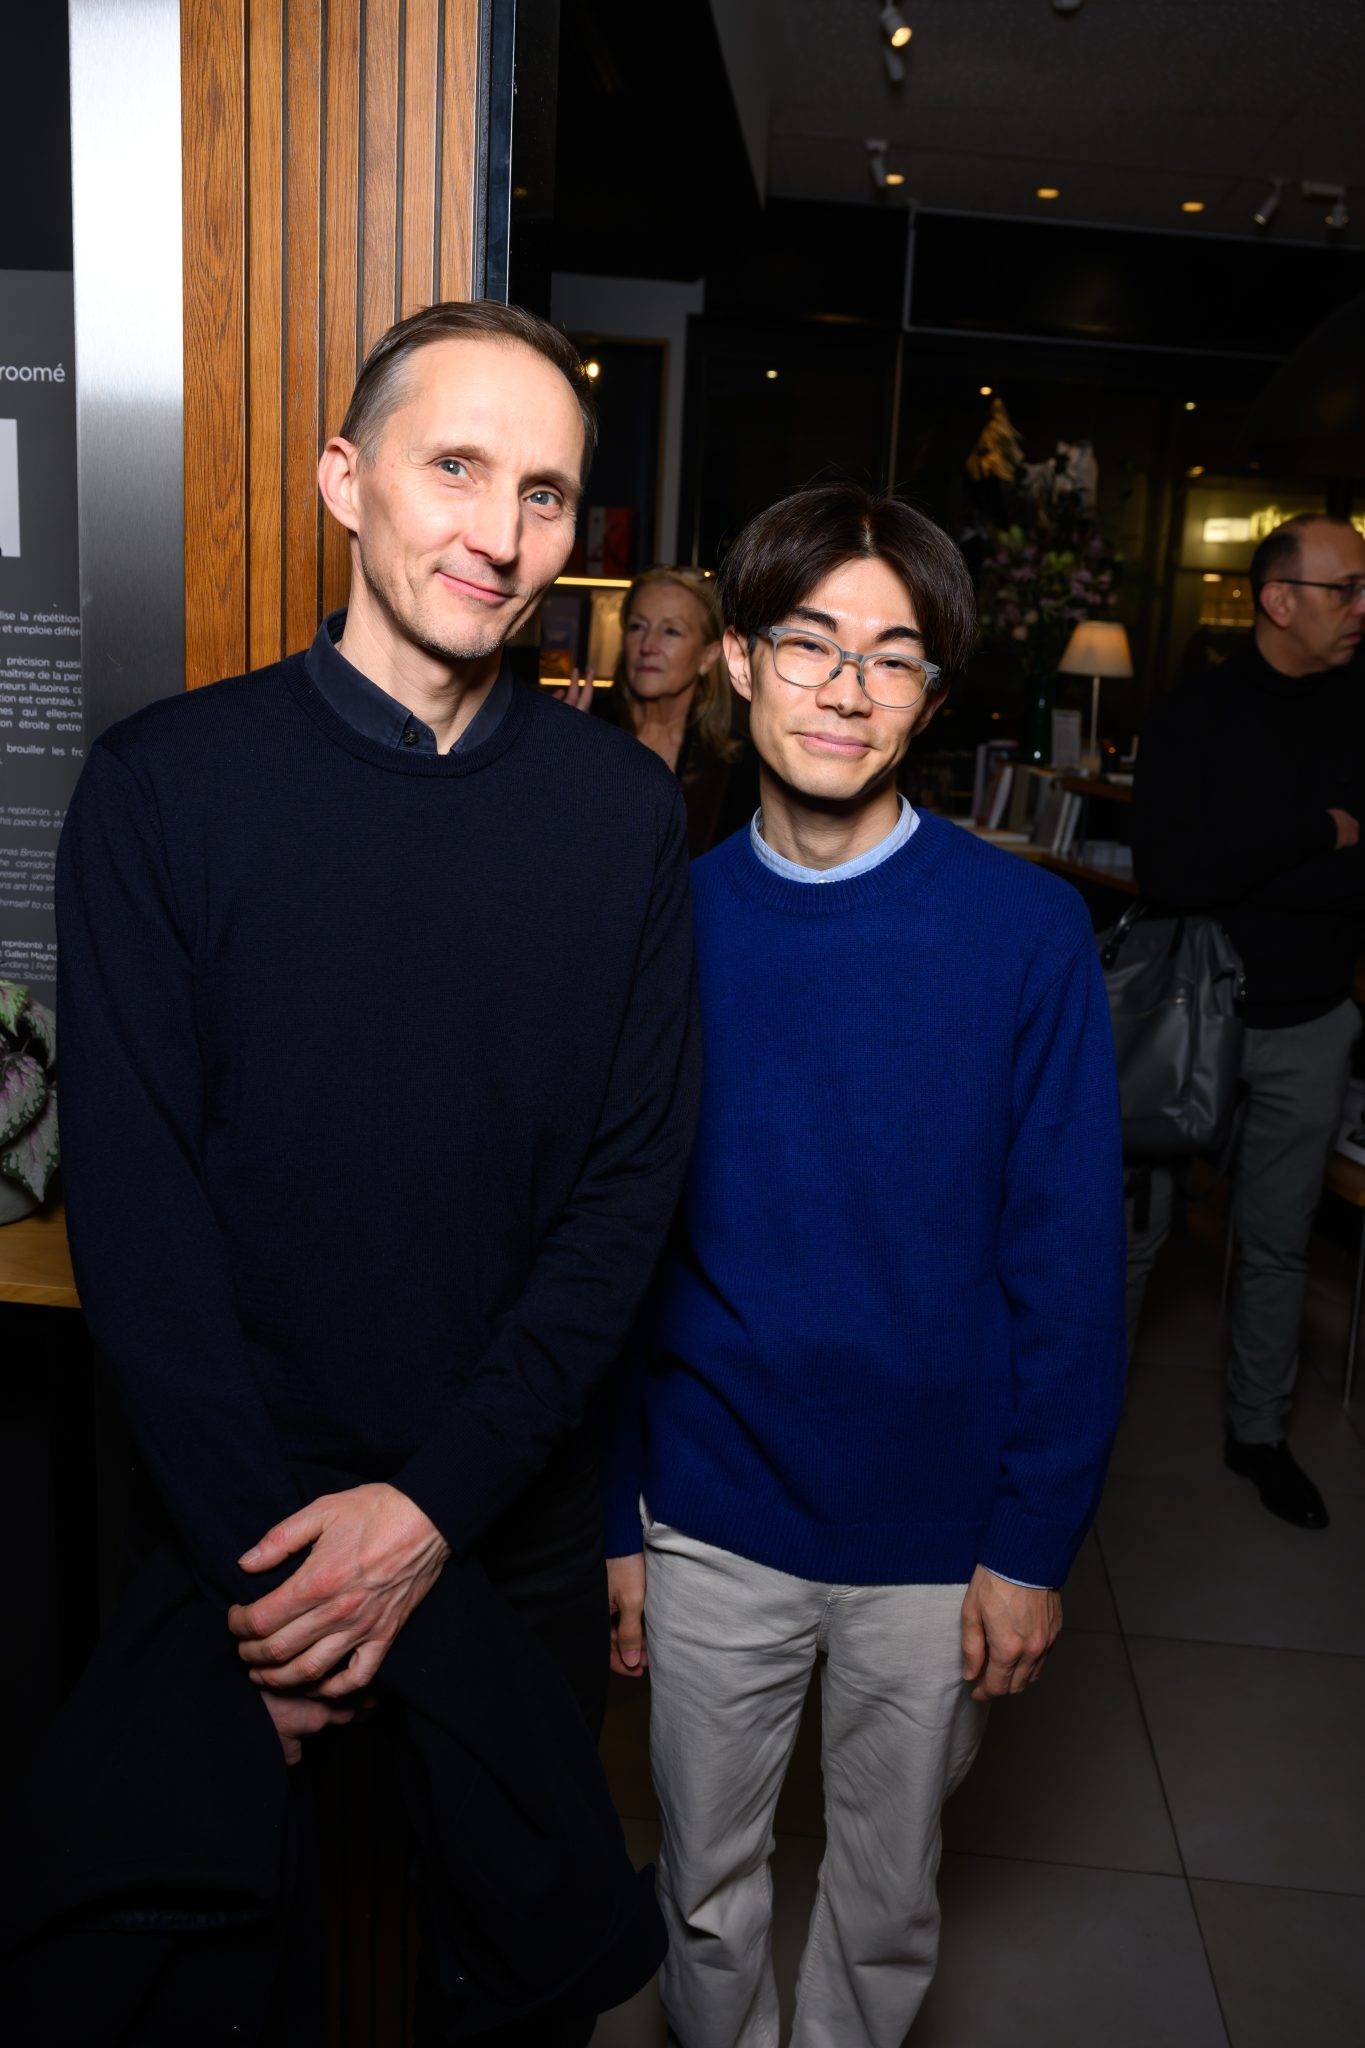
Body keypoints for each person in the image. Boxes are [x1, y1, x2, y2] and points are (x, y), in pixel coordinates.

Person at [6, 300, 699, 2047]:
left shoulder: (620, 818)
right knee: (209, 1971)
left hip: (503, 1504)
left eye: (543, 492)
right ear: (345, 478)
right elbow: (140, 1212)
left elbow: (631, 1195)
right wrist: (284, 1575)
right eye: (453, 465)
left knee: (519, 1974)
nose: (497, 531)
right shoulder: (167, 789)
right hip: (229, 1513)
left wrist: (432, 1510)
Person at [602, 484, 1126, 2048]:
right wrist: (619, 1507)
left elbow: (1069, 1263)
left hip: (934, 1528)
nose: (845, 687)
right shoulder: (661, 926)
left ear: (930, 698)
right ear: (739, 665)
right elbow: (612, 1240)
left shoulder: (1023, 938)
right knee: (703, 1884)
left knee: (886, 1896)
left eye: (891, 659)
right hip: (707, 1511)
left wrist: (1032, 1539)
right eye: (808, 642)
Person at [1131, 512, 1365, 1530]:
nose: (1364, 608)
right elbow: (1173, 872)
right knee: (1131, 1235)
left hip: (1314, 1017)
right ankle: (1068, 1424)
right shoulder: (1199, 713)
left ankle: (1258, 1433)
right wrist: (1318, 832)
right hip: (1192, 1016)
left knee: (1277, 1243)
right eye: (1346, 588)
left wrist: (1263, 852)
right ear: (1278, 600)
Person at [560, 565, 758, 855]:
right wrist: (553, 756)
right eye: (637, 626)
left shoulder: (734, 760)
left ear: (708, 656)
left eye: (671, 631)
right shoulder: (583, 727)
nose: (648, 646)